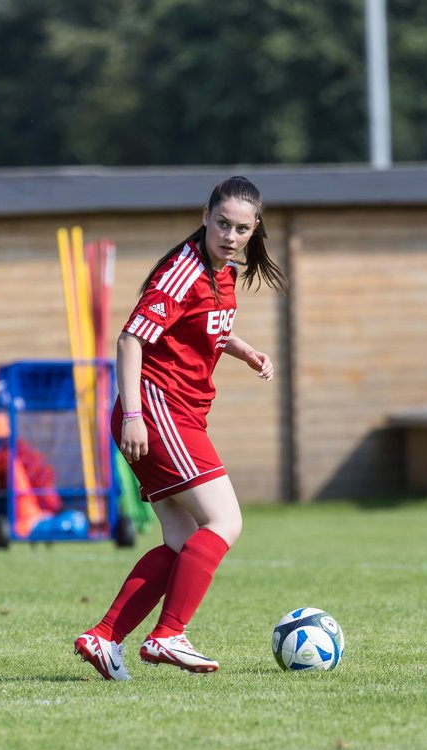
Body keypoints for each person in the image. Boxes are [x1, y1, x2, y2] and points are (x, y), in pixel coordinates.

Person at [73, 176, 287, 679]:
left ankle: (103, 637)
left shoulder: (221, 271)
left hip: (176, 411)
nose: (230, 235)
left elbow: (204, 324)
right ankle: (169, 635)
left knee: (180, 540)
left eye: (241, 228)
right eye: (222, 224)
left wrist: (244, 349)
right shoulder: (183, 270)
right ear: (205, 217)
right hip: (156, 408)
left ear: (254, 231)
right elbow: (130, 341)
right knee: (225, 521)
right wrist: (131, 414)